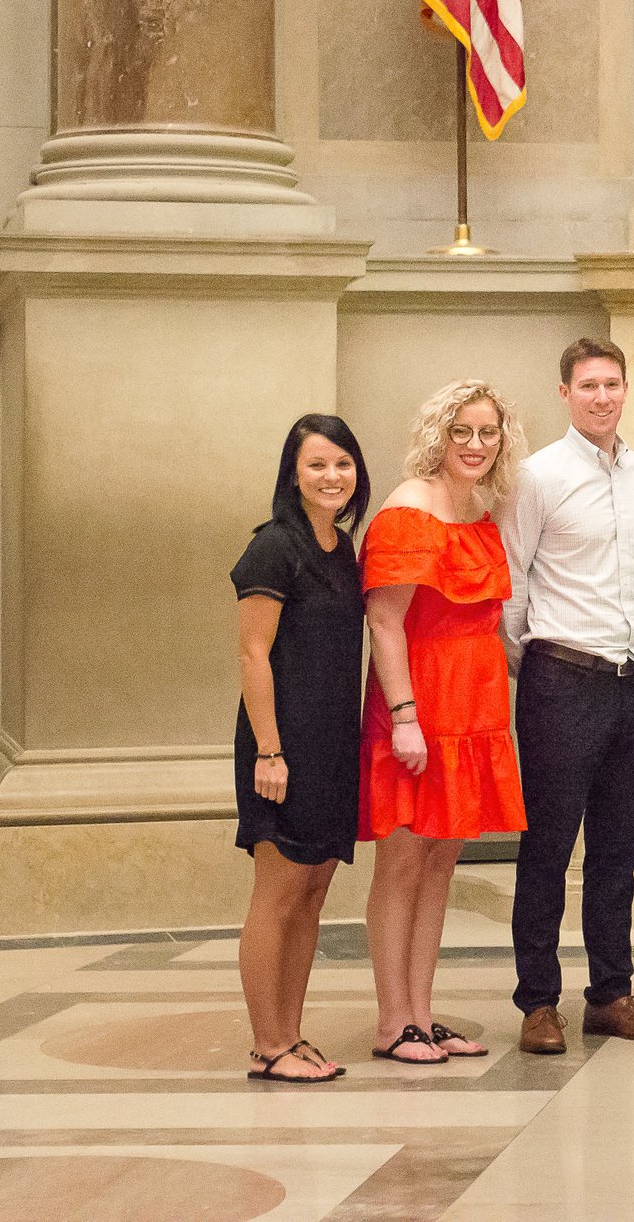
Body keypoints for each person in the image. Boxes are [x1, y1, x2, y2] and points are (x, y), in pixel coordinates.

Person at [500, 339, 634, 1056]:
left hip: (632, 683)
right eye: (588, 385)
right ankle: (538, 1002)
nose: (602, 396)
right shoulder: (535, 475)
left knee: (617, 849)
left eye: (612, 383)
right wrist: (541, 663)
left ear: (626, 389)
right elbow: (511, 586)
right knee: (546, 846)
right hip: (561, 680)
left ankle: (610, 993)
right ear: (565, 392)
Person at [360, 379, 529, 1065]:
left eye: (487, 432)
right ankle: (391, 1019)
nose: (475, 444)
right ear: (439, 434)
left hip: (474, 708)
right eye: (462, 430)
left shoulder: (480, 510)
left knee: (439, 864)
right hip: (420, 705)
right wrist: (404, 716)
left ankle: (422, 1014)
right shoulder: (409, 507)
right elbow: (384, 619)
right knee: (401, 862)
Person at [231, 413, 372, 1083]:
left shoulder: (343, 548)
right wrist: (268, 750)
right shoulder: (273, 546)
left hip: (333, 743)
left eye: (342, 463)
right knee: (279, 889)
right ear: (293, 472)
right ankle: (267, 1042)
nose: (331, 476)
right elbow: (253, 653)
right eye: (317, 464)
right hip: (280, 746)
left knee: (313, 890)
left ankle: (290, 1032)